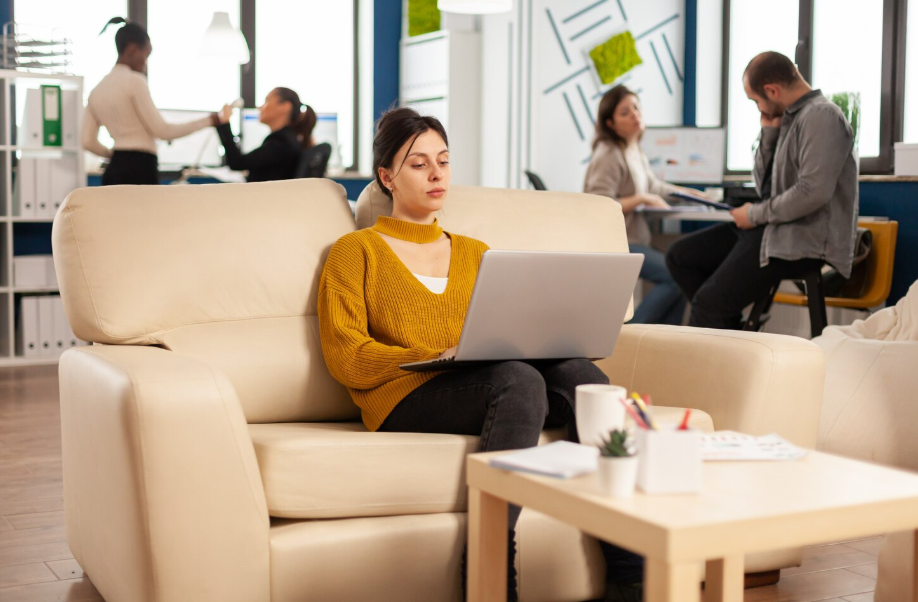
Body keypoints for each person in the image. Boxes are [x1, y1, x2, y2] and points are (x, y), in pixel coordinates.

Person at [317, 107, 644, 602]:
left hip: (484, 378)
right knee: (518, 381)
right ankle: (489, 577)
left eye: (443, 162)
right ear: (387, 176)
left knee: (585, 378)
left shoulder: (475, 252)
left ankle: (631, 574)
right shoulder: (355, 251)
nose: (435, 174)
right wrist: (435, 355)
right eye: (418, 164)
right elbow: (346, 355)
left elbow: (507, 332)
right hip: (406, 391)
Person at [665, 51, 858, 330]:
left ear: (772, 90)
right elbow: (764, 186)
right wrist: (768, 136)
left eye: (756, 101)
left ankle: (719, 336)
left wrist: (754, 215)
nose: (758, 108)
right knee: (680, 258)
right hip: (774, 230)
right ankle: (727, 328)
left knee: (708, 303)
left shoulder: (821, 116)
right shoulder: (788, 117)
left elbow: (812, 192)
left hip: (801, 240)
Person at [584, 85, 690, 325]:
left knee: (683, 281)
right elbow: (598, 203)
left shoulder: (634, 150)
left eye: (636, 108)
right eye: (625, 112)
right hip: (616, 243)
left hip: (634, 240)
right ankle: (630, 338)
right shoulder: (608, 154)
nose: (635, 114)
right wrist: (641, 198)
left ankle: (664, 345)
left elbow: (655, 186)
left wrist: (692, 195)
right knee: (676, 276)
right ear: (610, 123)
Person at [82, 17, 218, 185]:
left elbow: (87, 141)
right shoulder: (134, 81)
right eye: (145, 56)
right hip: (140, 169)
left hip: (114, 170)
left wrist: (114, 155)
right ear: (132, 50)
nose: (145, 64)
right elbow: (163, 131)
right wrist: (209, 121)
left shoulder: (96, 91)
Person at [214, 88, 317, 182]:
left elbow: (237, 163)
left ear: (285, 107)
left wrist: (225, 123)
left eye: (266, 101)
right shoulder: (289, 138)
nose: (259, 107)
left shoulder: (281, 142)